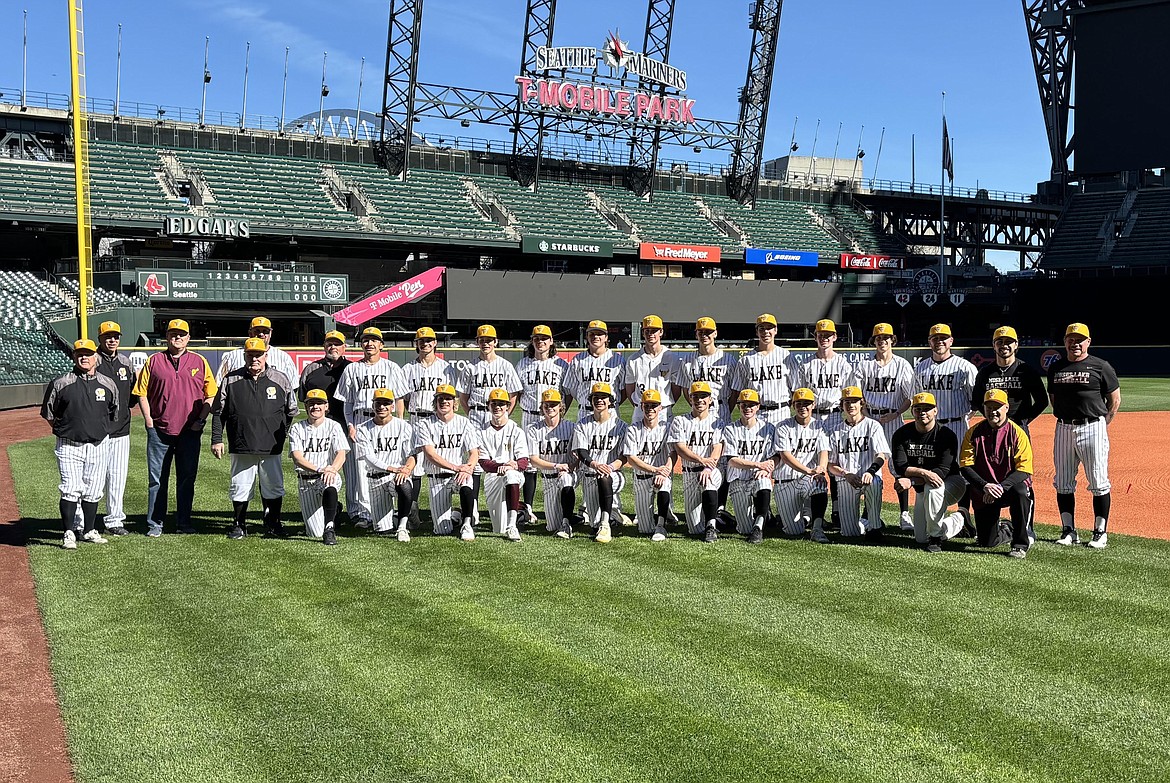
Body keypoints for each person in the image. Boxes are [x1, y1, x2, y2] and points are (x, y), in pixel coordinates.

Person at [132, 319, 218, 537]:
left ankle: (184, 522)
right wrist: (149, 422)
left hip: (189, 431)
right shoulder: (154, 361)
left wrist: (201, 420)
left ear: (188, 338)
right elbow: (141, 392)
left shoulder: (199, 361)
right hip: (160, 431)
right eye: (173, 334)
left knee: (187, 478)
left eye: (181, 334)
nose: (177, 337)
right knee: (157, 479)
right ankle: (155, 523)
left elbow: (211, 394)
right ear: (167, 336)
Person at [211, 337, 298, 540]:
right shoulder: (231, 379)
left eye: (258, 355)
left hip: (271, 446)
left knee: (274, 486)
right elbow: (218, 412)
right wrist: (217, 439)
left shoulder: (280, 378)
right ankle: (239, 524)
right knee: (240, 485)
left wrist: (281, 434)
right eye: (250, 355)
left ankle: (273, 523)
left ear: (266, 355)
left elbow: (291, 411)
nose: (254, 359)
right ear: (244, 356)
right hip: (241, 443)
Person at [1046, 322, 1121, 549]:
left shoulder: (1100, 366)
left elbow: (1114, 400)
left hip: (1092, 427)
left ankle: (1100, 532)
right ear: (1065, 341)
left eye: (1080, 339)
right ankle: (1069, 530)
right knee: (1063, 482)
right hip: (1064, 427)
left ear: (1088, 342)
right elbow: (1053, 399)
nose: (1075, 343)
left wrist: (1102, 423)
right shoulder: (1056, 367)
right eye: (1071, 338)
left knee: (1098, 481)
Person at [41, 339, 118, 549]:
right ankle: (68, 532)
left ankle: (89, 530)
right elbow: (49, 414)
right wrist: (65, 428)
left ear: (96, 357)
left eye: (88, 354)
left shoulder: (108, 383)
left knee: (93, 489)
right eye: (80, 354)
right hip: (68, 444)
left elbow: (113, 412)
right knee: (70, 488)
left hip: (98, 444)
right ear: (74, 357)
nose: (84, 357)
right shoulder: (61, 383)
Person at [333, 326, 406, 528]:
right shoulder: (352, 369)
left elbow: (399, 398)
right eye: (366, 340)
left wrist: (399, 422)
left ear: (381, 345)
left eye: (374, 340)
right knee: (360, 469)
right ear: (361, 344)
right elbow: (347, 402)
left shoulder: (391, 367)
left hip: (386, 421)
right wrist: (350, 425)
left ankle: (389, 510)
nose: (370, 343)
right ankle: (363, 514)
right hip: (360, 419)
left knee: (386, 464)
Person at [77, 320, 138, 536]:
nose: (112, 340)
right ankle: (81, 520)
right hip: (97, 432)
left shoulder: (126, 363)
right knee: (90, 478)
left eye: (116, 336)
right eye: (107, 336)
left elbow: (131, 396)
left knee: (117, 477)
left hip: (121, 429)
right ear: (99, 338)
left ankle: (114, 520)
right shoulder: (93, 360)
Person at [852, 323, 915, 531]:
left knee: (899, 466)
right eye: (878, 338)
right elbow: (856, 394)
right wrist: (866, 415)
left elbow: (909, 397)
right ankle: (867, 514)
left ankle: (904, 513)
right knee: (871, 465)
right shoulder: (864, 365)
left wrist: (897, 413)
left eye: (886, 338)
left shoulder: (902, 365)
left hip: (894, 419)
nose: (882, 341)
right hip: (869, 419)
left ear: (892, 340)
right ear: (874, 341)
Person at [457, 323, 522, 522]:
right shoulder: (470, 367)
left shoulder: (505, 365)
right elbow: (463, 397)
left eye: (489, 340)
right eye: (482, 340)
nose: (486, 343)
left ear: (496, 342)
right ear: (477, 342)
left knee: (501, 460)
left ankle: (510, 508)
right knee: (474, 464)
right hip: (476, 416)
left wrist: (505, 415)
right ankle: (473, 509)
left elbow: (513, 395)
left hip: (498, 416)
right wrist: (472, 415)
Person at [675, 317, 737, 526]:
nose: (705, 335)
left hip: (721, 411)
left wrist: (723, 408)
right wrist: (697, 407)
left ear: (716, 333)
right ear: (696, 335)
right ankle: (707, 508)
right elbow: (685, 390)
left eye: (709, 331)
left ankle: (719, 508)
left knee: (723, 461)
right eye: (701, 332)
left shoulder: (728, 360)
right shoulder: (687, 362)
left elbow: (734, 392)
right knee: (702, 456)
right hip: (699, 411)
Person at [960, 389, 1035, 558]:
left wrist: (1001, 487)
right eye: (989, 406)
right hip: (984, 491)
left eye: (997, 406)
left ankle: (1020, 544)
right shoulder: (973, 433)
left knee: (1021, 492)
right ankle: (1007, 529)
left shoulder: (1017, 433)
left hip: (1008, 489)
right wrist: (984, 486)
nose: (993, 410)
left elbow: (1024, 469)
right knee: (986, 542)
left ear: (1006, 407)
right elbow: (965, 466)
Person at [890, 392, 969, 553]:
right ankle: (960, 518)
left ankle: (935, 539)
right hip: (924, 485)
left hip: (952, 483)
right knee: (920, 538)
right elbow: (900, 467)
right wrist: (923, 473)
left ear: (935, 411)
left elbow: (941, 472)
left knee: (932, 489)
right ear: (912, 411)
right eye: (918, 409)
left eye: (927, 408)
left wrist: (912, 480)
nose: (922, 413)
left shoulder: (946, 435)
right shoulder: (901, 434)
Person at [913, 323, 978, 519]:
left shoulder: (965, 367)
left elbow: (975, 400)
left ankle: (963, 514)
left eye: (943, 338)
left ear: (951, 341)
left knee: (961, 469)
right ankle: (931, 514)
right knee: (929, 468)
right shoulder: (921, 368)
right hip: (930, 428)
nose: (939, 341)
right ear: (929, 341)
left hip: (956, 424)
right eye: (935, 338)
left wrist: (965, 416)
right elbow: (917, 399)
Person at [798, 318, 854, 529]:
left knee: (835, 463)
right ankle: (808, 511)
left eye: (828, 335)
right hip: (813, 418)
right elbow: (800, 395)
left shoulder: (843, 364)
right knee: (812, 461)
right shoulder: (806, 366)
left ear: (835, 337)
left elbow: (850, 395)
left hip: (833, 416)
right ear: (815, 338)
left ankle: (838, 510)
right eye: (820, 335)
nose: (824, 338)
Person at [399, 327, 456, 527]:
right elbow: (402, 398)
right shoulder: (407, 369)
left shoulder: (446, 368)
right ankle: (411, 509)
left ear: (435, 343)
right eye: (421, 340)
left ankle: (441, 508)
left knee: (435, 463)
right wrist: (401, 420)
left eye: (429, 340)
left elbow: (451, 397)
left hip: (436, 420)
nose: (425, 343)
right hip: (415, 418)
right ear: (416, 343)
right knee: (413, 465)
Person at [516, 324, 569, 522]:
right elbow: (517, 393)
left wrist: (559, 414)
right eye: (537, 338)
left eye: (544, 338)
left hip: (552, 416)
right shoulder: (522, 365)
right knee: (529, 462)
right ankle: (528, 507)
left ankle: (557, 506)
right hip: (530, 415)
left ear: (551, 341)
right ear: (532, 341)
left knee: (554, 458)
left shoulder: (561, 365)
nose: (541, 342)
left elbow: (567, 394)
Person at [414, 383, 481, 540]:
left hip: (458, 475)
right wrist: (456, 467)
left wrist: (468, 468)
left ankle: (466, 523)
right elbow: (430, 455)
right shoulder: (424, 424)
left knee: (467, 483)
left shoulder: (464, 422)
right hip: (436, 478)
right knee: (442, 530)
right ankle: (457, 514)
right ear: (435, 402)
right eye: (441, 399)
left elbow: (474, 452)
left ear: (454, 402)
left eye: (448, 399)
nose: (444, 402)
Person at [825, 386, 891, 542]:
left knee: (874, 482)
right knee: (849, 533)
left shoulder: (873, 426)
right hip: (846, 481)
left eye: (854, 401)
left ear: (862, 403)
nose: (851, 405)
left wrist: (871, 471)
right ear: (841, 406)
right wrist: (845, 474)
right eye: (847, 402)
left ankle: (874, 528)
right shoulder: (835, 431)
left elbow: (881, 455)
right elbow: (830, 464)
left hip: (869, 477)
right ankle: (864, 523)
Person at [299, 330, 354, 517]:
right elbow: (302, 397)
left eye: (337, 344)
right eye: (330, 344)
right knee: (321, 470)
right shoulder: (311, 369)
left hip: (345, 425)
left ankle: (354, 512)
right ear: (324, 347)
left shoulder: (351, 368)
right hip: (318, 429)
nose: (333, 347)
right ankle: (329, 506)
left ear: (344, 347)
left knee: (350, 473)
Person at [288, 389, 349, 545]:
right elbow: (297, 458)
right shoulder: (297, 428)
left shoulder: (334, 426)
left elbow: (341, 453)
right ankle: (334, 508)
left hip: (327, 475)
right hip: (306, 481)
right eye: (311, 403)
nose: (315, 407)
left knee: (330, 484)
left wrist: (332, 469)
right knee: (314, 532)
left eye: (319, 403)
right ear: (306, 406)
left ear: (326, 406)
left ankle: (330, 528)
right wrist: (319, 469)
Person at [667, 381, 725, 543]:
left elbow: (717, 448)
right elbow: (680, 449)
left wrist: (707, 466)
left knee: (709, 480)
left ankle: (711, 526)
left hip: (710, 469)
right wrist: (701, 459)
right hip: (689, 473)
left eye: (704, 396)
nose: (700, 400)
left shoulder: (717, 422)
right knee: (693, 529)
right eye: (696, 397)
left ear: (710, 399)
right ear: (690, 399)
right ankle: (722, 519)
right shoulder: (680, 421)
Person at [354, 388, 416, 541]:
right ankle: (405, 511)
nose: (382, 407)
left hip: (396, 476)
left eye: (386, 403)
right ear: (373, 405)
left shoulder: (404, 426)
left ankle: (402, 527)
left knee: (404, 486)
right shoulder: (362, 429)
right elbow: (369, 458)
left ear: (392, 406)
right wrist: (392, 468)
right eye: (378, 403)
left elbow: (412, 455)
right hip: (375, 479)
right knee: (383, 529)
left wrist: (406, 470)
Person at [570, 382, 629, 543]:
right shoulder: (583, 424)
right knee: (593, 525)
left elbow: (625, 456)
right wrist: (595, 465)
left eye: (604, 397)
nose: (599, 400)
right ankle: (611, 514)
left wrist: (609, 467)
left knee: (604, 479)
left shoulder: (621, 425)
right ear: (591, 400)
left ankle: (606, 523)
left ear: (610, 401)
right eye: (596, 397)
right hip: (589, 475)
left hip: (613, 474)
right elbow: (581, 452)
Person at [772, 388, 830, 540]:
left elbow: (823, 451)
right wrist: (808, 471)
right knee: (793, 532)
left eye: (807, 403)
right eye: (799, 403)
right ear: (793, 405)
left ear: (813, 405)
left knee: (820, 484)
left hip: (806, 479)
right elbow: (785, 456)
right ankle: (804, 518)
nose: (803, 407)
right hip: (784, 481)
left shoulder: (820, 426)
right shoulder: (783, 426)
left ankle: (817, 528)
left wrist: (821, 469)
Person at [971, 326, 1048, 436]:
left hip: (1019, 428)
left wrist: (1025, 420)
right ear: (994, 345)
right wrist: (991, 418)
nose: (1004, 345)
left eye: (1009, 341)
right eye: (1000, 342)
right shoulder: (985, 372)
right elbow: (977, 400)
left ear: (1016, 344)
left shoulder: (1027, 371)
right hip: (993, 428)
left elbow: (1042, 401)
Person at [721, 389, 776, 544]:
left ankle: (759, 525)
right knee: (744, 529)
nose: (748, 408)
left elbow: (774, 455)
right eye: (744, 405)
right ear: (739, 406)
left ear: (758, 407)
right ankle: (731, 518)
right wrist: (759, 464)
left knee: (764, 481)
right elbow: (732, 460)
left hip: (758, 477)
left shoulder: (768, 428)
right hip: (738, 479)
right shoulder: (730, 429)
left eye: (751, 405)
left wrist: (768, 466)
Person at [621, 389, 674, 542]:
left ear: (660, 408)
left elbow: (673, 453)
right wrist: (654, 469)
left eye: (654, 405)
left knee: (664, 485)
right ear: (641, 407)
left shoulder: (667, 427)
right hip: (641, 477)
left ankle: (661, 524)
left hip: (661, 476)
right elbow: (631, 458)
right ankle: (654, 523)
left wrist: (665, 472)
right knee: (644, 529)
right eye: (647, 405)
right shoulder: (633, 429)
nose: (650, 409)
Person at [729, 313, 802, 425]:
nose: (765, 332)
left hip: (781, 412)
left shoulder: (786, 356)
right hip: (756, 414)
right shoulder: (746, 360)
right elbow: (737, 392)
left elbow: (796, 390)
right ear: (756, 331)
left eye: (769, 328)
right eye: (761, 328)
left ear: (775, 330)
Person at [477, 388, 530, 541]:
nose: (498, 407)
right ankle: (520, 509)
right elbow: (483, 463)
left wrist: (510, 467)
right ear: (488, 406)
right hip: (492, 477)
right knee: (498, 528)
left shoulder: (516, 430)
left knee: (511, 475)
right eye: (494, 404)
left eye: (502, 404)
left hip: (514, 474)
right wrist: (501, 465)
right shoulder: (482, 431)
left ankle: (513, 525)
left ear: (508, 406)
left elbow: (524, 461)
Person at [526, 389, 577, 539]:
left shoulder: (571, 427)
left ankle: (567, 524)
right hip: (548, 479)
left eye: (553, 404)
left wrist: (570, 467)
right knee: (552, 526)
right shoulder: (533, 429)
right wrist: (556, 466)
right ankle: (570, 519)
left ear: (561, 406)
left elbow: (579, 455)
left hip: (569, 473)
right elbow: (533, 460)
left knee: (565, 479)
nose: (550, 408)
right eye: (546, 405)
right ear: (541, 407)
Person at [624, 315, 683, 426]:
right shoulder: (633, 359)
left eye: (654, 331)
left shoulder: (672, 358)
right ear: (643, 333)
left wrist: (663, 405)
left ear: (661, 332)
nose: (650, 334)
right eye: (647, 331)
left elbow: (676, 391)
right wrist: (641, 406)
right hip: (640, 410)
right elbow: (630, 390)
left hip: (663, 411)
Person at [563, 319, 626, 420]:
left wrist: (610, 404)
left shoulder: (618, 360)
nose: (595, 337)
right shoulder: (577, 360)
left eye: (599, 334)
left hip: (610, 412)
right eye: (592, 334)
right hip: (585, 412)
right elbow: (572, 389)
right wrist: (584, 400)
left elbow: (624, 390)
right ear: (587, 337)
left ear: (606, 337)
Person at [216, 316, 299, 390]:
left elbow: (292, 387)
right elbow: (219, 384)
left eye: (265, 331)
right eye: (257, 331)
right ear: (250, 333)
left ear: (270, 334)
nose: (261, 334)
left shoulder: (284, 358)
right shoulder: (232, 356)